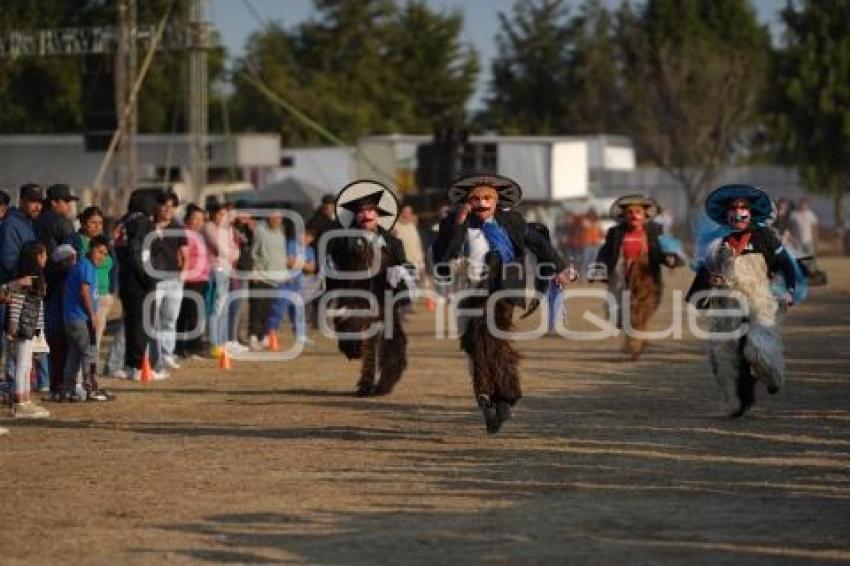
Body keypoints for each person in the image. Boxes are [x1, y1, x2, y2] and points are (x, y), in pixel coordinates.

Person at [432, 174, 573, 433]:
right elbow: (443, 255)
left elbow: (539, 243)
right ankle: (488, 396)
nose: (482, 202)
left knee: (495, 340)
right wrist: (458, 223)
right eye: (475, 198)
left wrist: (559, 267)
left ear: (497, 201)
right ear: (467, 202)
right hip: (469, 290)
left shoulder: (513, 222)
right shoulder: (455, 223)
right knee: (474, 345)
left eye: (487, 198)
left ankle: (503, 395)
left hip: (503, 288)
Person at [687, 184, 801, 418]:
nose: (737, 212)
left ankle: (772, 376)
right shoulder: (718, 246)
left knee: (756, 349)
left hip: (759, 303)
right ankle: (738, 402)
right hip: (726, 308)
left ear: (751, 213)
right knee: (724, 357)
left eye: (742, 207)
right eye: (733, 208)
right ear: (726, 215)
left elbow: (787, 266)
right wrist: (709, 284)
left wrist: (789, 290)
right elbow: (703, 276)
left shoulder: (766, 238)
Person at [325, 180, 411, 397]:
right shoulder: (343, 240)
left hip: (385, 299)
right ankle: (365, 379)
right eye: (361, 211)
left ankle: (374, 384)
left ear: (378, 215)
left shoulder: (392, 242)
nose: (366, 215)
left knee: (392, 348)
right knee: (356, 341)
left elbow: (403, 267)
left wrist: (400, 278)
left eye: (371, 210)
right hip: (354, 298)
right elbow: (334, 264)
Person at [595, 195, 681, 360]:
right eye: (630, 212)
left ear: (645, 215)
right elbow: (605, 253)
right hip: (621, 278)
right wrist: (600, 267)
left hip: (647, 280)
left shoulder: (655, 232)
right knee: (620, 314)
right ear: (624, 215)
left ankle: (635, 345)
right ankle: (639, 339)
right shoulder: (615, 233)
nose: (634, 215)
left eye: (638, 212)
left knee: (640, 313)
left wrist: (670, 259)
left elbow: (664, 251)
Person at [0, 184, 49, 391]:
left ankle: (16, 388)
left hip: (23, 291)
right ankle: (14, 389)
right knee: (13, 344)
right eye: (32, 201)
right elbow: (8, 260)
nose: (37, 206)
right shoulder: (13, 223)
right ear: (21, 201)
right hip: (12, 292)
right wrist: (21, 280)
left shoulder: (27, 223)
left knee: (20, 345)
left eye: (39, 202)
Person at [113, 189, 161, 380]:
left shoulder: (123, 220)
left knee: (132, 324)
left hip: (125, 279)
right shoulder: (142, 222)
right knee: (142, 325)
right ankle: (140, 367)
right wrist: (148, 278)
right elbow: (136, 252)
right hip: (138, 282)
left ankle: (131, 365)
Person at [61, 236, 113, 401]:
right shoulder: (86, 266)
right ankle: (90, 388)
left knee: (74, 354)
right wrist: (92, 315)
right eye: (99, 251)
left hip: (71, 318)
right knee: (89, 353)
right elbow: (84, 291)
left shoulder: (84, 266)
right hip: (79, 317)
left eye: (105, 254)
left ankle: (68, 389)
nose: (101, 256)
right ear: (91, 249)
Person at [67, 207, 117, 371]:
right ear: (83, 222)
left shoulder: (105, 241)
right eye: (93, 223)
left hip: (104, 296)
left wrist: (113, 291)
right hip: (85, 296)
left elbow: (114, 267)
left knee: (97, 338)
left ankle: (90, 374)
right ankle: (85, 377)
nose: (97, 226)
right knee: (85, 341)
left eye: (100, 223)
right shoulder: (77, 241)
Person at [5, 242, 50, 418]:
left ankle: (26, 399)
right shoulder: (26, 280)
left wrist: (39, 332)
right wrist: (14, 326)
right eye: (44, 255)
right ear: (37, 257)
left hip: (31, 328)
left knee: (27, 364)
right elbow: (16, 302)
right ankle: (19, 402)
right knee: (22, 364)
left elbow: (38, 309)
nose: (46, 259)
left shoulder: (36, 278)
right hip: (23, 328)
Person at [149, 192, 188, 372]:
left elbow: (185, 253)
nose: (168, 210)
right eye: (165, 205)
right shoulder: (148, 225)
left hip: (173, 279)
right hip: (154, 279)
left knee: (170, 319)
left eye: (172, 206)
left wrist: (183, 274)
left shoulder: (178, 228)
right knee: (152, 319)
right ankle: (152, 354)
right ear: (157, 206)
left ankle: (166, 354)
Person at [203, 201, 243, 357]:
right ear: (213, 214)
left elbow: (236, 250)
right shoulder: (209, 227)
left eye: (224, 214)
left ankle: (222, 341)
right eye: (220, 214)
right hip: (215, 269)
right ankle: (214, 344)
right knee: (216, 308)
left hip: (227, 269)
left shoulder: (226, 230)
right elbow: (222, 249)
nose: (222, 217)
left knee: (224, 308)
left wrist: (231, 251)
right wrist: (230, 251)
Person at [247, 207, 288, 351]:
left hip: (274, 278)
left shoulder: (280, 234)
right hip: (261, 275)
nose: (277, 220)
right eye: (274, 217)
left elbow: (281, 255)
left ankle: (263, 336)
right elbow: (253, 252)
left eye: (279, 217)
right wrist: (253, 271)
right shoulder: (260, 231)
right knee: (257, 308)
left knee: (267, 309)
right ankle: (252, 337)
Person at [268, 228, 317, 345]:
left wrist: (298, 262)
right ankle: (270, 335)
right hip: (285, 283)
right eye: (304, 235)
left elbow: (312, 268)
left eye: (309, 237)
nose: (306, 238)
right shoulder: (291, 245)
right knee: (278, 311)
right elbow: (287, 261)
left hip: (298, 285)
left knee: (298, 311)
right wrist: (304, 264)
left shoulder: (310, 250)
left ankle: (300, 336)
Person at [175, 204, 210, 359]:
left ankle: (186, 347)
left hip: (201, 280)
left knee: (191, 315)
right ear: (187, 218)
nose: (198, 222)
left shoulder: (198, 235)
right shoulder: (186, 234)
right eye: (195, 218)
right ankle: (188, 347)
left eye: (201, 219)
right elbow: (182, 257)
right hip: (190, 280)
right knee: (190, 316)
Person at [44, 244, 76, 398]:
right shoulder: (65, 278)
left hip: (52, 322)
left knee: (56, 358)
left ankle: (55, 386)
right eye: (72, 258)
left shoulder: (51, 276)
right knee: (61, 357)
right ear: (64, 261)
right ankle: (59, 388)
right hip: (60, 322)